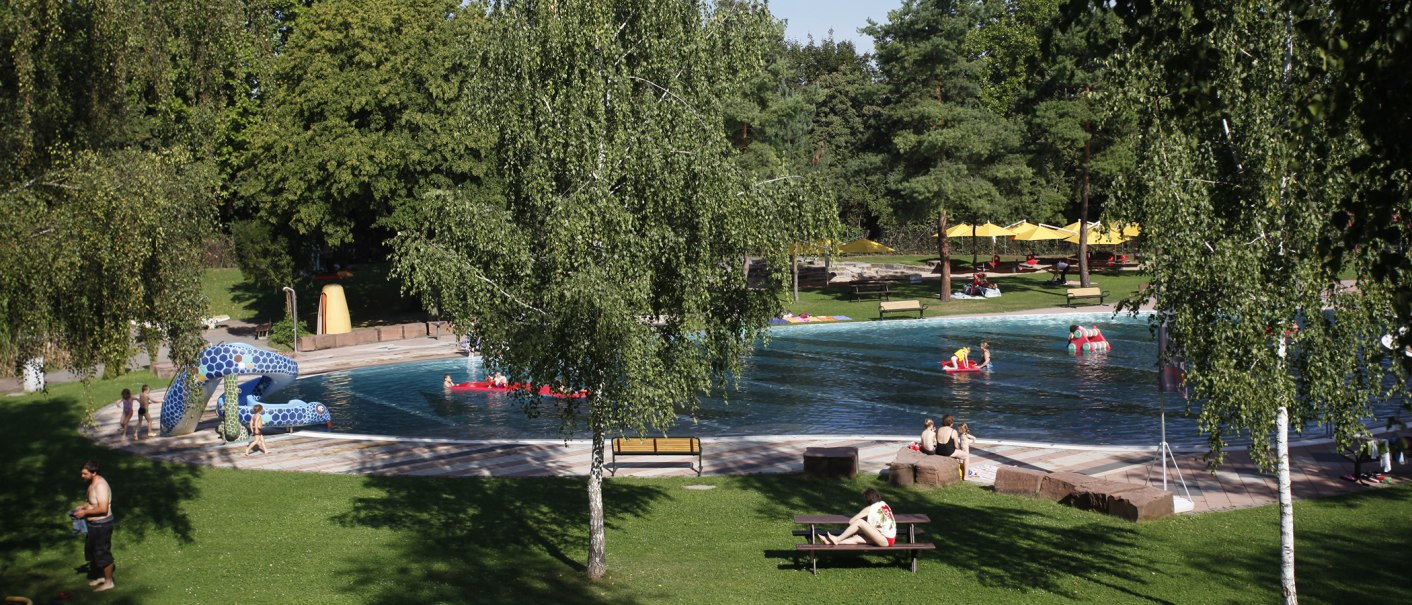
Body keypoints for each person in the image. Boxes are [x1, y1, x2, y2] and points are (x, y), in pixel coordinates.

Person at [73, 460, 115, 592]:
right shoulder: (92, 483)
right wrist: (83, 507)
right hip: (93, 524)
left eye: (84, 474)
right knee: (92, 552)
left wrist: (85, 512)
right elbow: (93, 502)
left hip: (102, 525)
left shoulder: (100, 486)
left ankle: (109, 582)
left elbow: (102, 509)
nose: (82, 476)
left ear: (94, 472)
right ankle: (101, 577)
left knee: (102, 553)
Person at [817, 488, 897, 547]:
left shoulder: (869, 508)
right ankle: (828, 541)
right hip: (890, 538)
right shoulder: (884, 504)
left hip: (885, 539)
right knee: (856, 538)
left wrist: (863, 528)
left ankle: (837, 539)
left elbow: (852, 521)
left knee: (860, 522)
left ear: (868, 500)